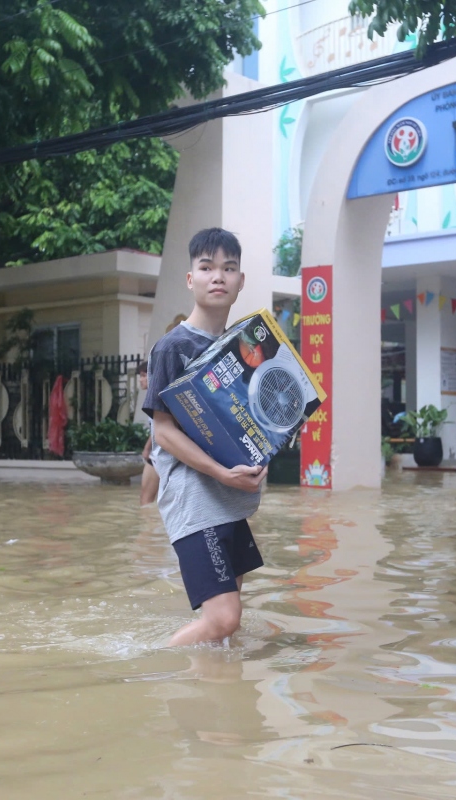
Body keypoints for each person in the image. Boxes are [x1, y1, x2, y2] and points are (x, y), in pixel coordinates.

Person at [142, 228, 266, 647]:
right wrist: (219, 471)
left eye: (229, 268)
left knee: (227, 627)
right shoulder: (171, 347)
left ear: (240, 281)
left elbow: (249, 422)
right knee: (224, 620)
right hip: (194, 498)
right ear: (190, 278)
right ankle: (150, 663)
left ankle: (216, 701)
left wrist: (258, 457)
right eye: (207, 267)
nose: (218, 277)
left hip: (230, 496)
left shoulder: (243, 346)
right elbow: (162, 430)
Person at [137, 361, 159, 507]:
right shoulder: (153, 397)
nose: (141, 379)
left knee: (145, 501)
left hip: (160, 455)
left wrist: (146, 449)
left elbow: (159, 428)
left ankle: (147, 529)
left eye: (144, 375)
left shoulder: (157, 397)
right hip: (157, 455)